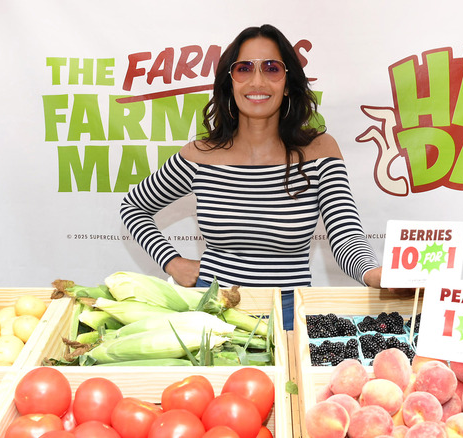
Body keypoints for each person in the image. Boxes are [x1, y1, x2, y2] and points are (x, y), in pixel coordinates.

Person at [120, 24, 384, 330]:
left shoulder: (319, 151)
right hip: (212, 319)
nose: (257, 81)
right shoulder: (201, 155)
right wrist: (172, 261)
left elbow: (346, 235)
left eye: (272, 68)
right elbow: (133, 207)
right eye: (244, 68)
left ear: (288, 84)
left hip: (289, 318)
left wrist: (372, 273)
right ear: (230, 82)